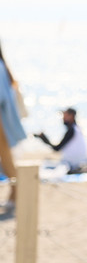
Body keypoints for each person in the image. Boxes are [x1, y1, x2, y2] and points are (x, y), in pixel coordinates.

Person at [0, 43, 27, 210]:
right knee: (6, 159)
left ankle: (17, 193)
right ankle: (15, 193)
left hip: (1, 123)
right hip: (4, 122)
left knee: (7, 159)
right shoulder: (3, 66)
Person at [36, 107, 87, 173]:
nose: (63, 118)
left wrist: (43, 138)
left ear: (71, 116)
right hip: (78, 162)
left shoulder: (72, 131)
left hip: (71, 164)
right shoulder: (77, 129)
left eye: (65, 115)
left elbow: (57, 148)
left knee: (45, 164)